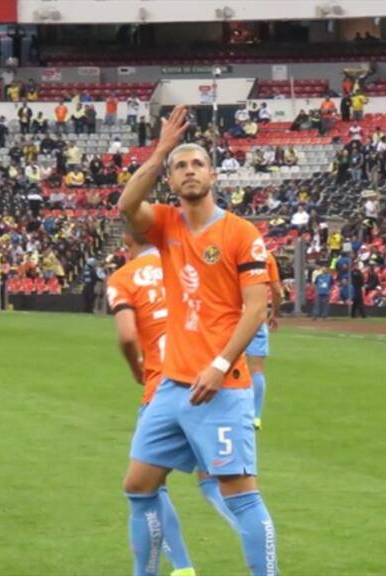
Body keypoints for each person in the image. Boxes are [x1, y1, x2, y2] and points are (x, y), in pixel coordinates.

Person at [119, 106, 278, 576]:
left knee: (241, 494)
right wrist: (162, 148)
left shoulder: (240, 233)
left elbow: (256, 308)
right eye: (180, 167)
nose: (189, 171)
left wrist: (221, 363)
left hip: (221, 387)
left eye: (196, 164)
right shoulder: (165, 223)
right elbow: (127, 206)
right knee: (138, 486)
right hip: (172, 387)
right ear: (171, 179)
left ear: (212, 174)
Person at [106, 234, 197, 576]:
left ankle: (169, 569)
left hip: (162, 388)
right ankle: (184, 567)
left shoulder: (126, 276)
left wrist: (136, 369)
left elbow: (128, 336)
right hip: (212, 384)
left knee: (143, 488)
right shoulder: (186, 262)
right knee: (232, 490)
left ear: (127, 239)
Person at [245, 251, 283, 431]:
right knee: (256, 369)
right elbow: (277, 291)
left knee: (223, 363)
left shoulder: (227, 247)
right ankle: (255, 416)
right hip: (256, 314)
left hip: (229, 314)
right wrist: (275, 313)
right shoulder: (265, 256)